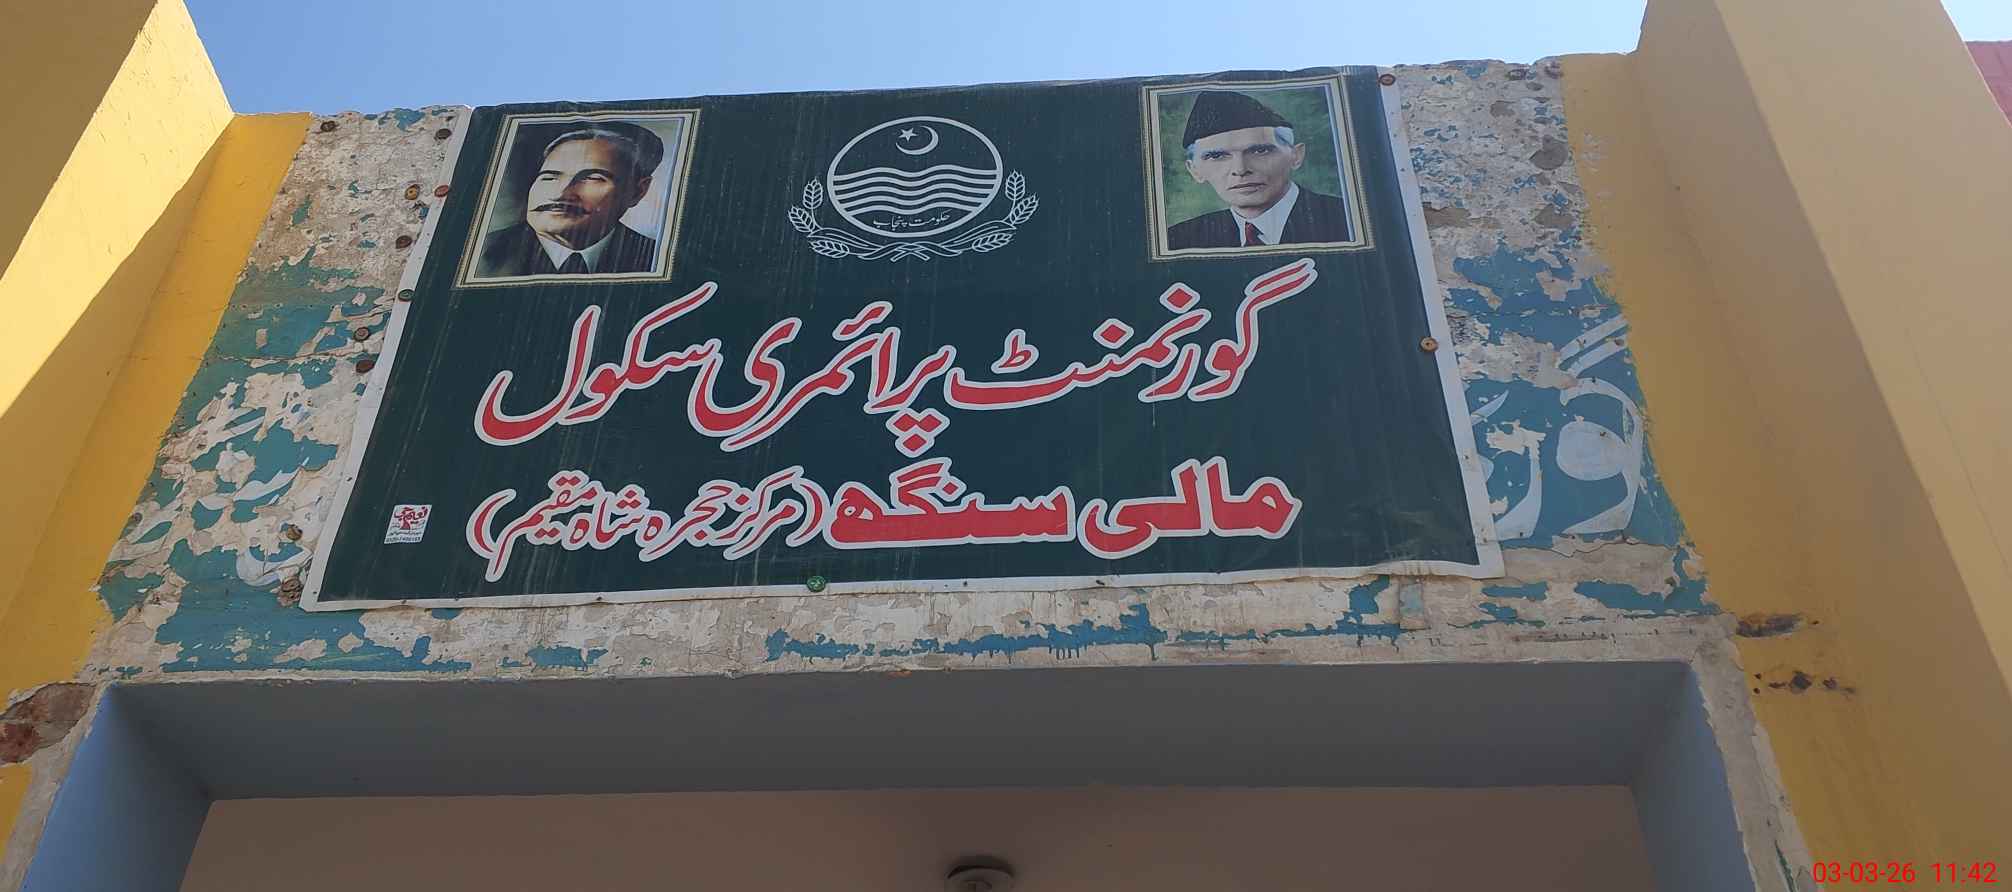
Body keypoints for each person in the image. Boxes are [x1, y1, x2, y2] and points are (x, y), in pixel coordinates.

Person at [1166, 91, 1354, 250]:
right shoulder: (1180, 240)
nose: (1240, 170)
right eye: (1217, 156)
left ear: (1295, 156)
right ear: (1195, 171)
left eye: (1260, 151)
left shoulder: (1348, 221)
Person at [476, 122, 663, 277]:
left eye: (592, 178)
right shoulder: (482, 253)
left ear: (637, 192)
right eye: (549, 177)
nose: (561, 193)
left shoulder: (656, 258)